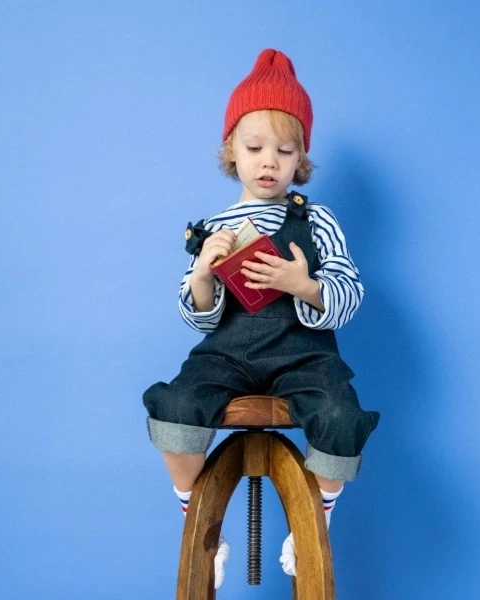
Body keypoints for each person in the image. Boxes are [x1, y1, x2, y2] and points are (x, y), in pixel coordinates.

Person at [142, 48, 380, 590]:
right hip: (227, 355)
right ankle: (196, 515)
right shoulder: (212, 227)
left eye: (284, 149)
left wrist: (304, 285)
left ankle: (315, 517)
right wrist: (203, 272)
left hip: (304, 354)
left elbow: (350, 293)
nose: (269, 161)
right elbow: (197, 316)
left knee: (341, 417)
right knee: (177, 407)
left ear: (301, 160)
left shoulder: (316, 220)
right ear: (232, 150)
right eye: (254, 148)